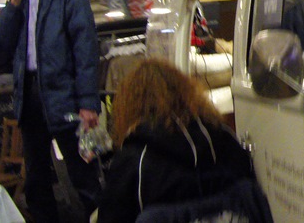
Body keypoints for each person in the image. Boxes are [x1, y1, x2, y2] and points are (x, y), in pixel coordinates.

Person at [0, 0, 102, 222]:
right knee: (37, 180)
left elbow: (85, 47)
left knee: (83, 174)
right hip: (29, 98)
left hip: (64, 97)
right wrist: (13, 5)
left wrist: (88, 101)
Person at [96, 58, 268, 223]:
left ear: (129, 105)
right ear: (187, 91)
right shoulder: (223, 139)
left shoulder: (133, 162)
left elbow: (111, 216)